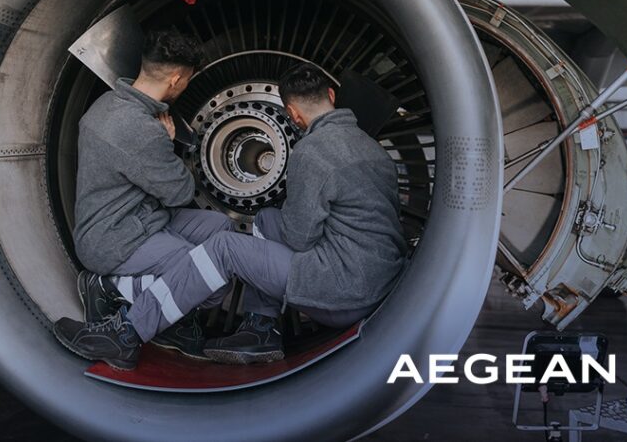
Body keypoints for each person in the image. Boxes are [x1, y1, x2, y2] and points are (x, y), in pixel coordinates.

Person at [56, 62, 407, 368]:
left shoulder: (312, 152)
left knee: (223, 248)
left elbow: (300, 238)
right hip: (378, 283)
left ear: (293, 114)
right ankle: (260, 329)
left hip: (341, 292)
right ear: (331, 95)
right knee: (267, 219)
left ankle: (126, 334)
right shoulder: (373, 149)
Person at [53, 29, 233, 367]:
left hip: (139, 219)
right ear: (176, 79)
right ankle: (112, 294)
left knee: (219, 226)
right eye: (188, 79)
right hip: (116, 239)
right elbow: (180, 192)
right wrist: (167, 142)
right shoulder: (142, 129)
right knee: (210, 278)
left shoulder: (106, 104)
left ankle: (172, 322)